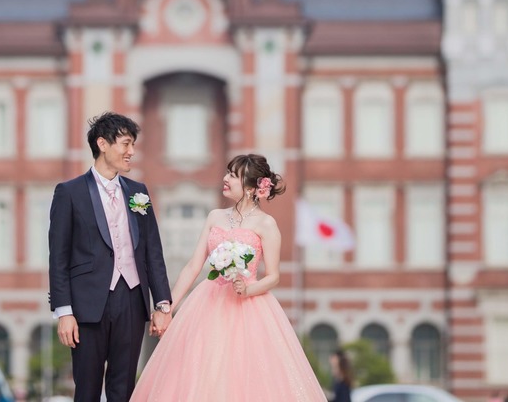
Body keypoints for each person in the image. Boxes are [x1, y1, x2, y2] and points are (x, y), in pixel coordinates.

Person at [129, 154, 328, 401]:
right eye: (227, 173)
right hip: (208, 302)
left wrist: (247, 289)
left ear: (250, 187)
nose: (225, 179)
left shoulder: (267, 224)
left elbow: (274, 276)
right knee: (201, 370)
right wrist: (168, 307)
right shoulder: (215, 216)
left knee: (244, 374)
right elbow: (193, 266)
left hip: (249, 307)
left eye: (232, 175)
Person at [48, 112, 172, 402]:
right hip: (87, 305)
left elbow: (153, 251)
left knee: (123, 388)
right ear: (102, 143)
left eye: (133, 145)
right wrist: (64, 312)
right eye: (126, 144)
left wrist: (163, 304)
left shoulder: (138, 192)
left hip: (131, 299)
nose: (131, 152)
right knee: (87, 389)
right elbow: (58, 257)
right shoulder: (69, 192)